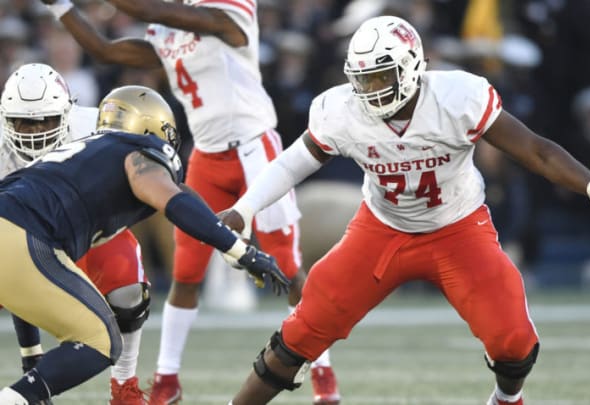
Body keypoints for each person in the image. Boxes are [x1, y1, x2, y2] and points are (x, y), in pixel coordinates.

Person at [216, 16, 590, 405]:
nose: (368, 90)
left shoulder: (457, 97)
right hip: (381, 230)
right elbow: (296, 161)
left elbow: (534, 148)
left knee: (514, 342)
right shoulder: (342, 111)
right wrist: (245, 208)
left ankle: (505, 398)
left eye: (379, 77)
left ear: (410, 67)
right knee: (298, 335)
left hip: (458, 229)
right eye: (361, 80)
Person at [39, 0, 341, 402]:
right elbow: (106, 49)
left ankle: (323, 374)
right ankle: (166, 379)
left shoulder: (224, 13)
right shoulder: (168, 26)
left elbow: (172, 15)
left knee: (286, 264)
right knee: (186, 272)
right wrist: (59, 6)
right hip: (208, 154)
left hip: (256, 147)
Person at [0, 84, 289, 405]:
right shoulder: (138, 149)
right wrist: (241, 251)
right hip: (22, 234)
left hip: (14, 233)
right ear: (156, 127)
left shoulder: (87, 151)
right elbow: (168, 198)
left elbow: (15, 281)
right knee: (100, 341)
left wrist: (32, 360)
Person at [0, 62, 152, 404]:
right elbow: (13, 261)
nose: (33, 131)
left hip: (86, 231)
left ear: (67, 113)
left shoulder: (97, 125)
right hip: (18, 242)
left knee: (128, 290)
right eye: (21, 121)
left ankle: (124, 387)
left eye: (45, 120)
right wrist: (31, 353)